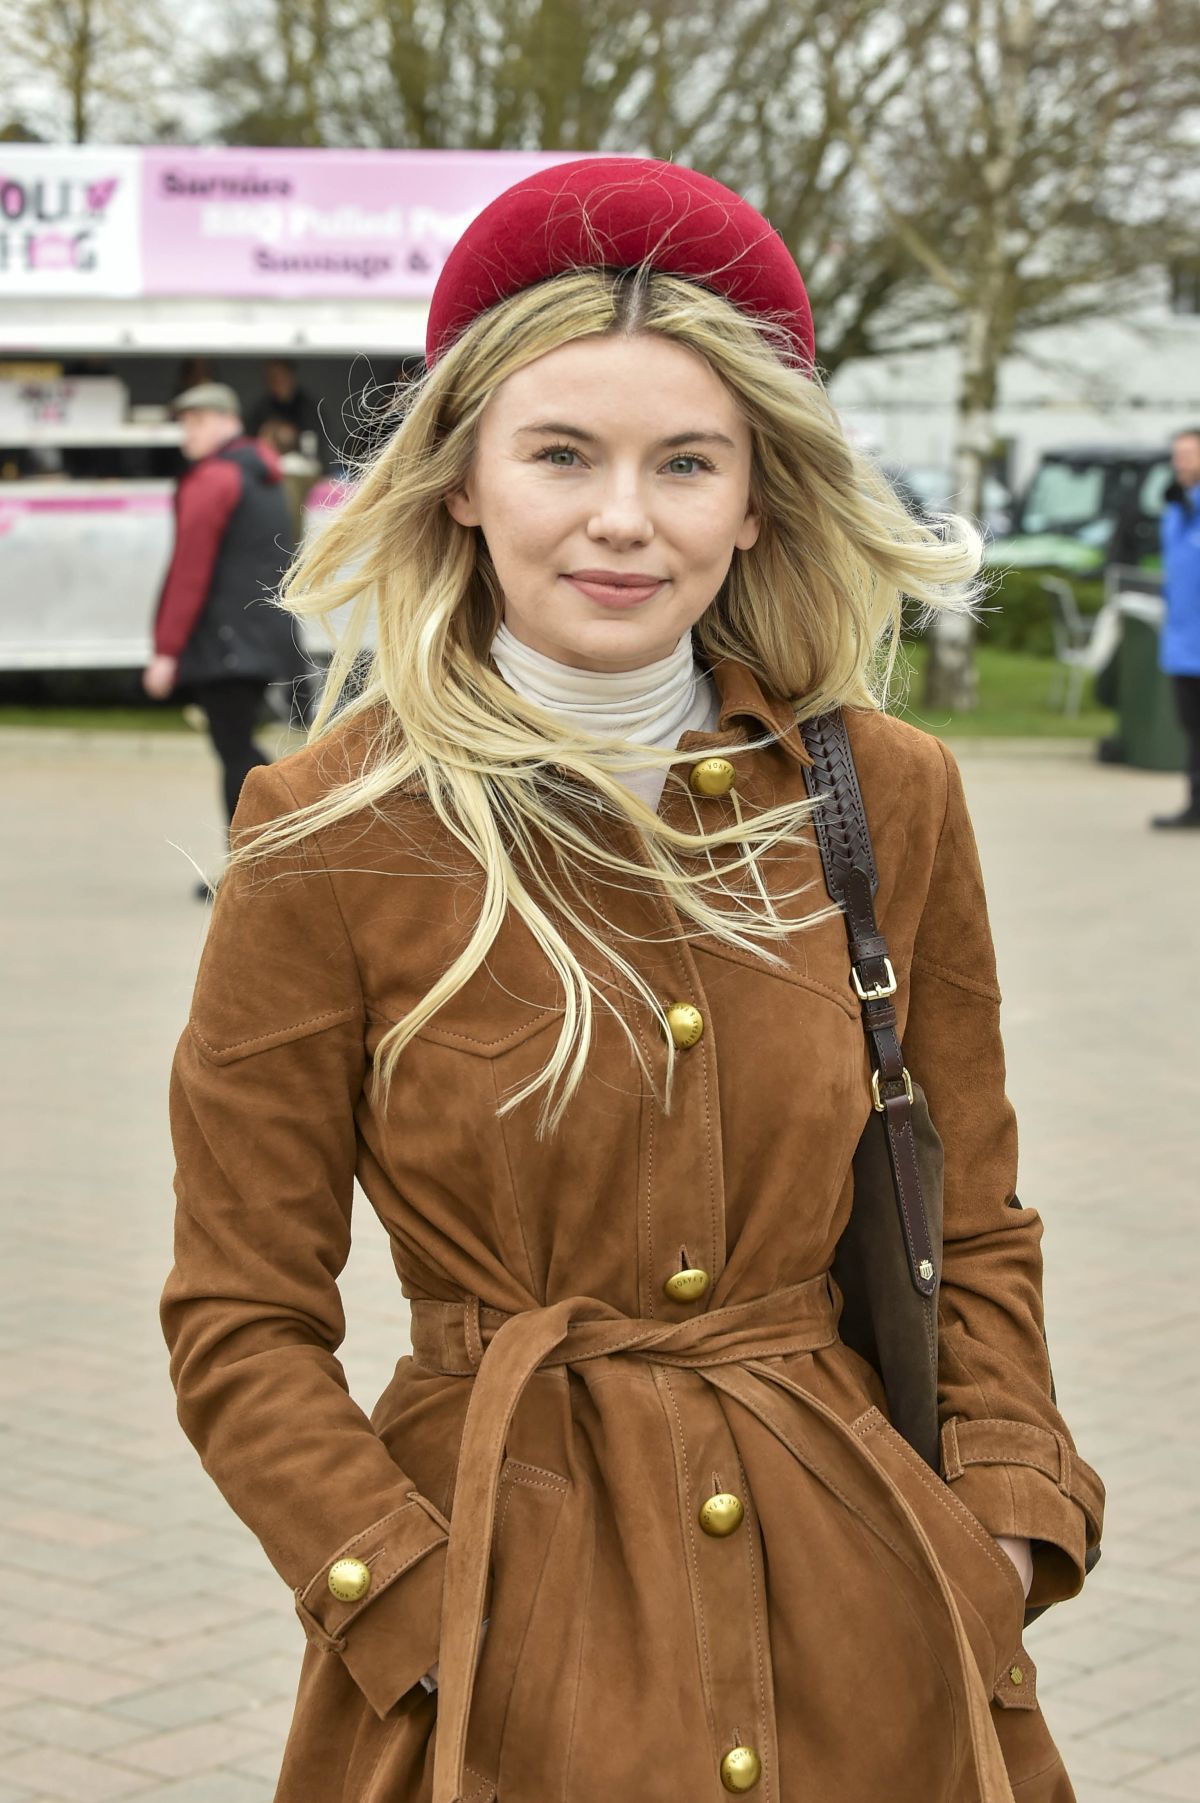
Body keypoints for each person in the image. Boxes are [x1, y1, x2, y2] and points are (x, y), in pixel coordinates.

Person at [159, 159, 1104, 1803]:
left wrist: (1003, 1526)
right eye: (561, 453)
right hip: (493, 1637)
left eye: (686, 462)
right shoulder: (325, 834)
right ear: (460, 478)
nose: (622, 516)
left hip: (866, 1614)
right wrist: (410, 1598)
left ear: (754, 498)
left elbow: (975, 1215)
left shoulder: (884, 797)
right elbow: (239, 1312)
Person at [143, 381, 303, 896]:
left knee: (235, 749)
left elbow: (189, 570)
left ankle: (255, 869)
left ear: (220, 420)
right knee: (239, 746)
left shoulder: (213, 480)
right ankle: (268, 857)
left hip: (227, 641)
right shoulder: (263, 474)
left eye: (193, 422)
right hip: (261, 634)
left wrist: (166, 650)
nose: (184, 433)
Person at [1152, 426, 1200, 828]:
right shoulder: (1176, 507)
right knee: (1193, 728)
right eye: (1177, 454)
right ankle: (1195, 805)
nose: (1179, 461)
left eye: (1188, 453)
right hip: (1184, 641)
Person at [247, 357, 320, 454]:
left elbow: (314, 441)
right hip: (267, 461)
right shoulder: (261, 408)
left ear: (291, 376)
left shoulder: (307, 408)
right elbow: (251, 440)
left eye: (281, 376)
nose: (277, 382)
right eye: (272, 378)